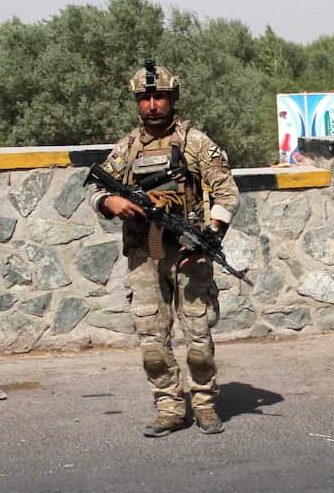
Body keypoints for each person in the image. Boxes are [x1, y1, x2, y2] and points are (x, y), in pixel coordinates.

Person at [90, 61, 240, 437]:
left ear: (173, 98)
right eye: (145, 98)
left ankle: (204, 404)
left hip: (190, 253)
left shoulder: (196, 143)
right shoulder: (127, 148)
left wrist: (211, 234)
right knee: (152, 341)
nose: (153, 105)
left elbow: (227, 192)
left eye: (159, 97)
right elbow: (97, 186)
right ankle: (169, 407)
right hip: (144, 255)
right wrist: (109, 202)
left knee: (198, 338)